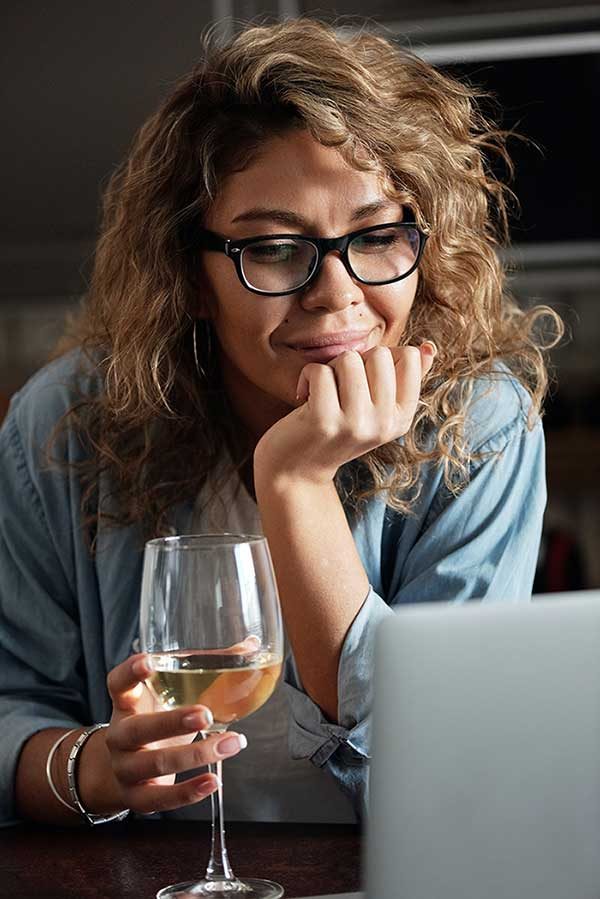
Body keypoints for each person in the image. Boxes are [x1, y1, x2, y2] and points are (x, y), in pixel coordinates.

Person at [0, 18, 560, 829]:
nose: (335, 293)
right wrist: (94, 766)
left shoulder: (480, 425)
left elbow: (445, 767)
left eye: (376, 237)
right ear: (188, 273)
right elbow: (14, 702)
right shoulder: (67, 421)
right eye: (272, 250)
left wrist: (296, 482)